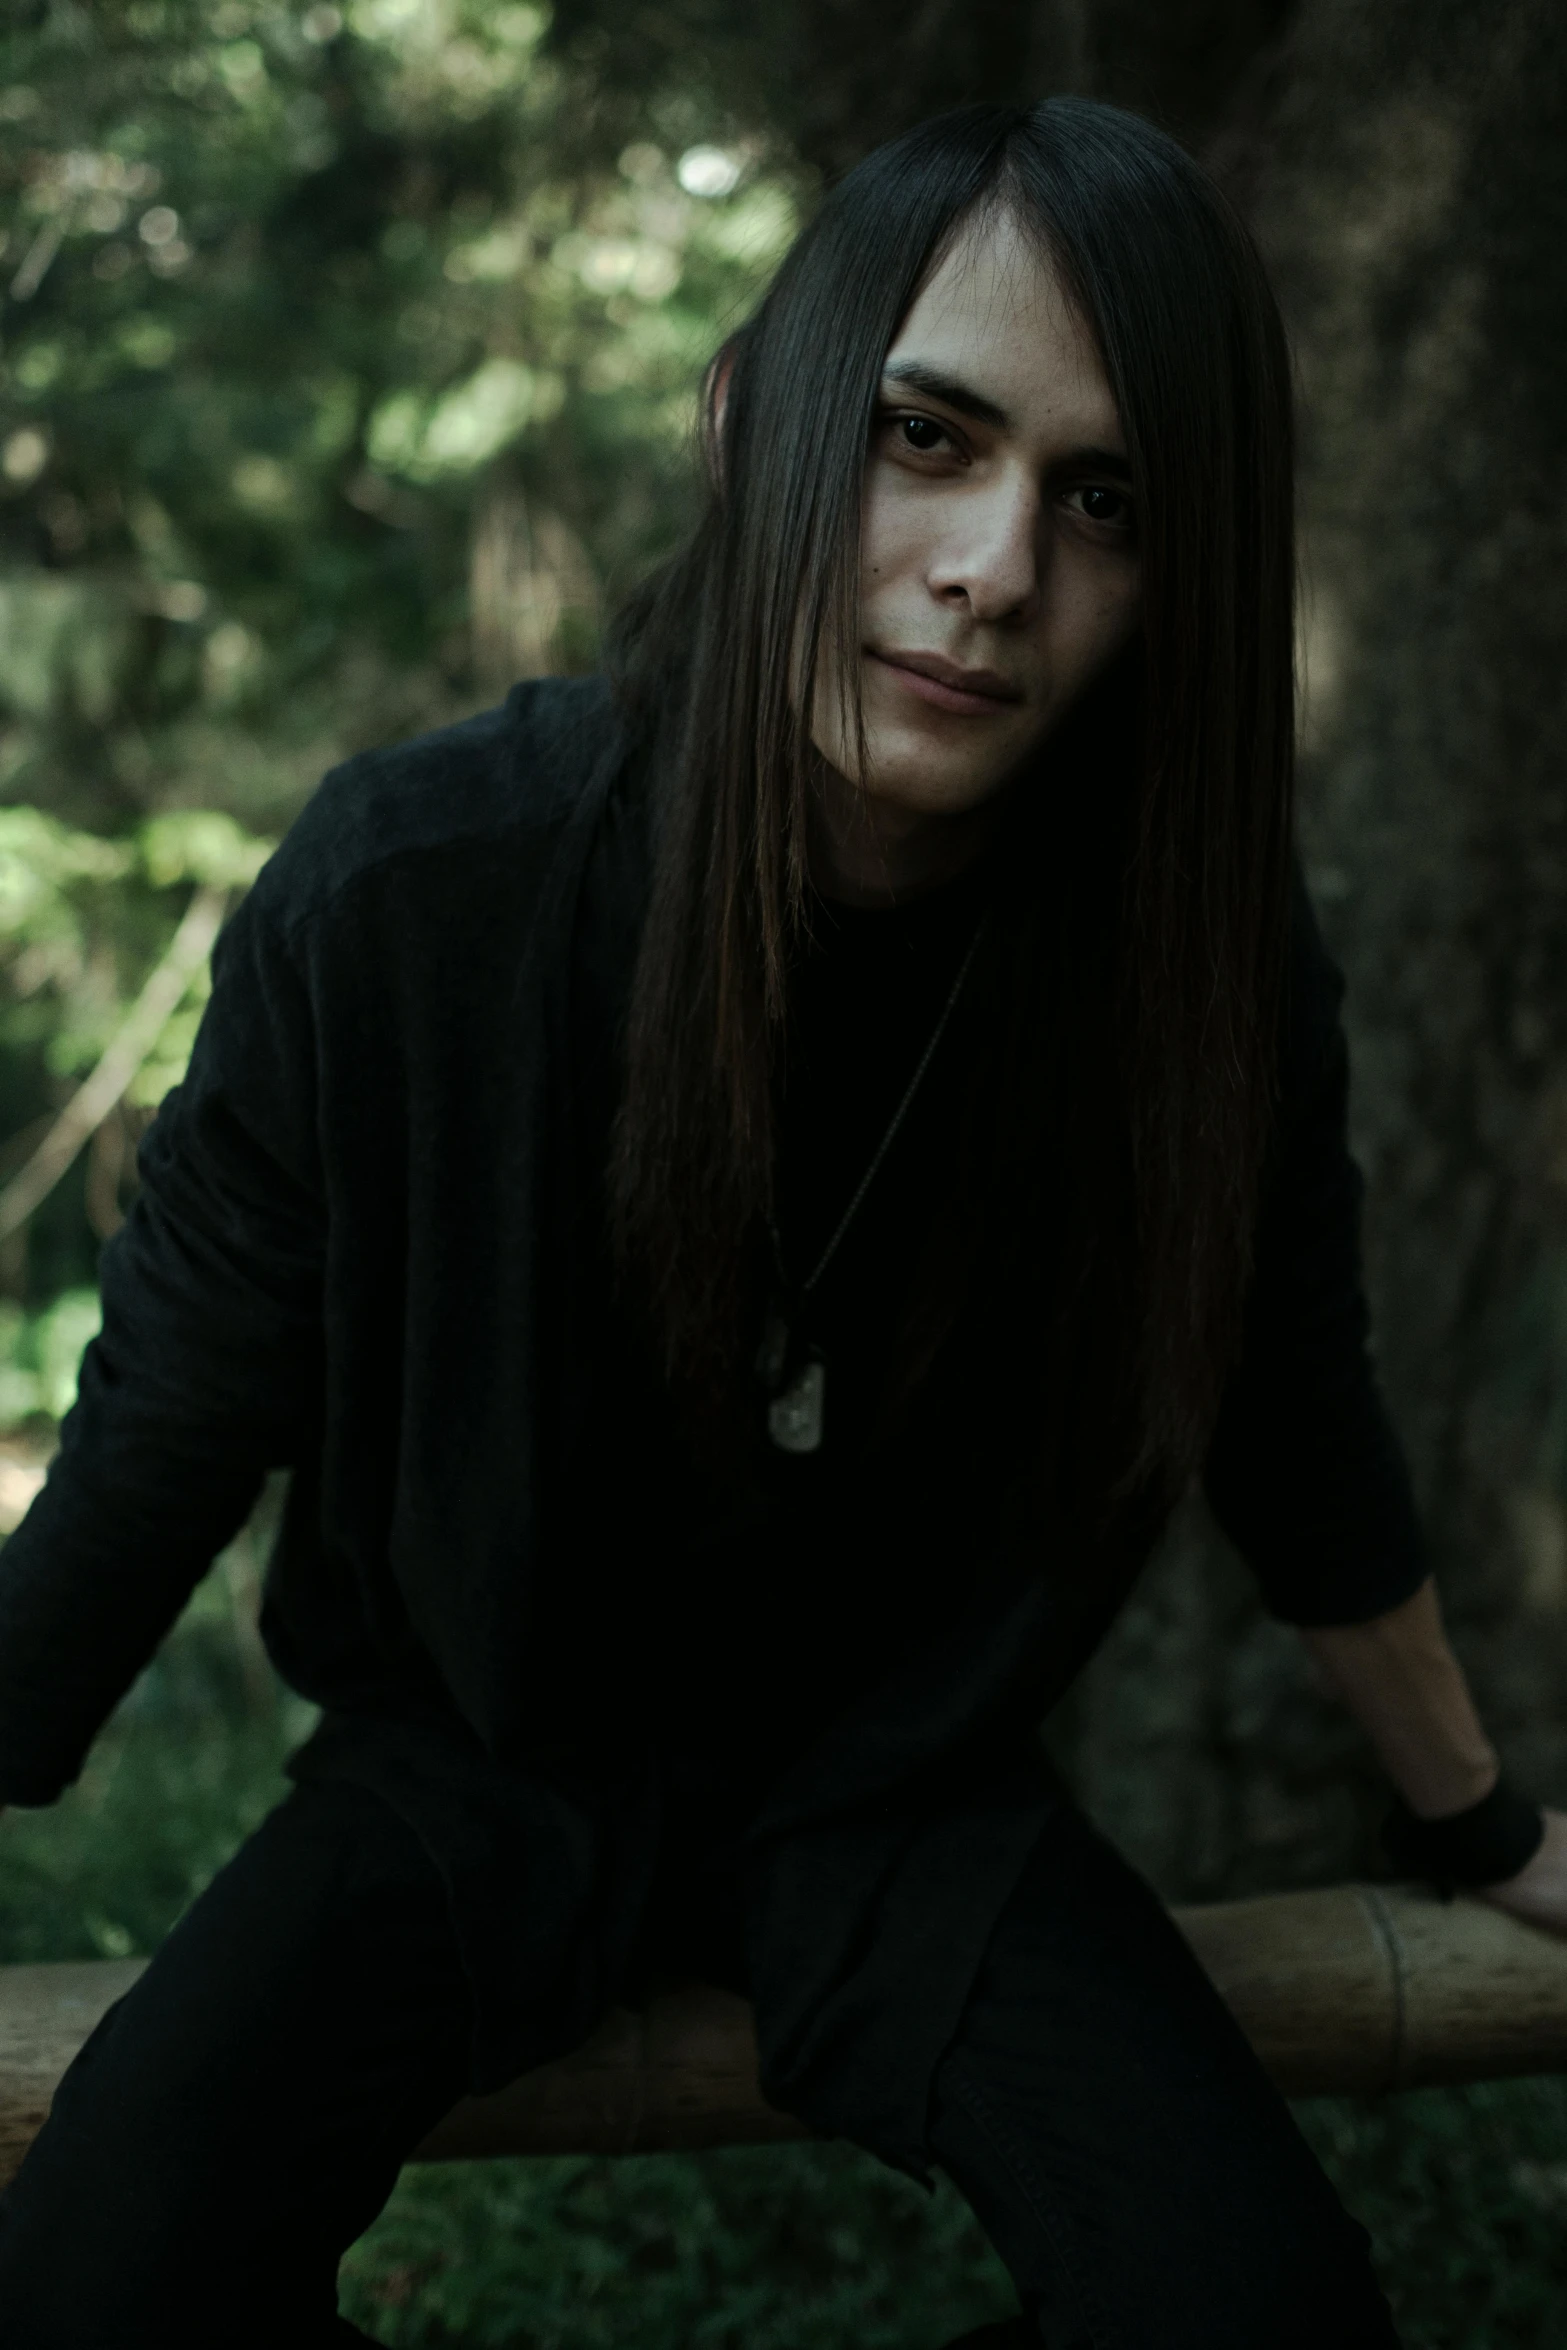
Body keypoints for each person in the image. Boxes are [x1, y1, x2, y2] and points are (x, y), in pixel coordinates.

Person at [0, 95, 1560, 2350]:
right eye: (928, 435)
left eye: (1105, 502)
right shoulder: (407, 894)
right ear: (755, 415)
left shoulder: (1189, 974)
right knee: (88, 2285)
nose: (996, 566)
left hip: (898, 1797)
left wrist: (1483, 1817)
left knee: (1268, 2317)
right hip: (476, 1766)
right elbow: (156, 1443)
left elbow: (1293, 1403)